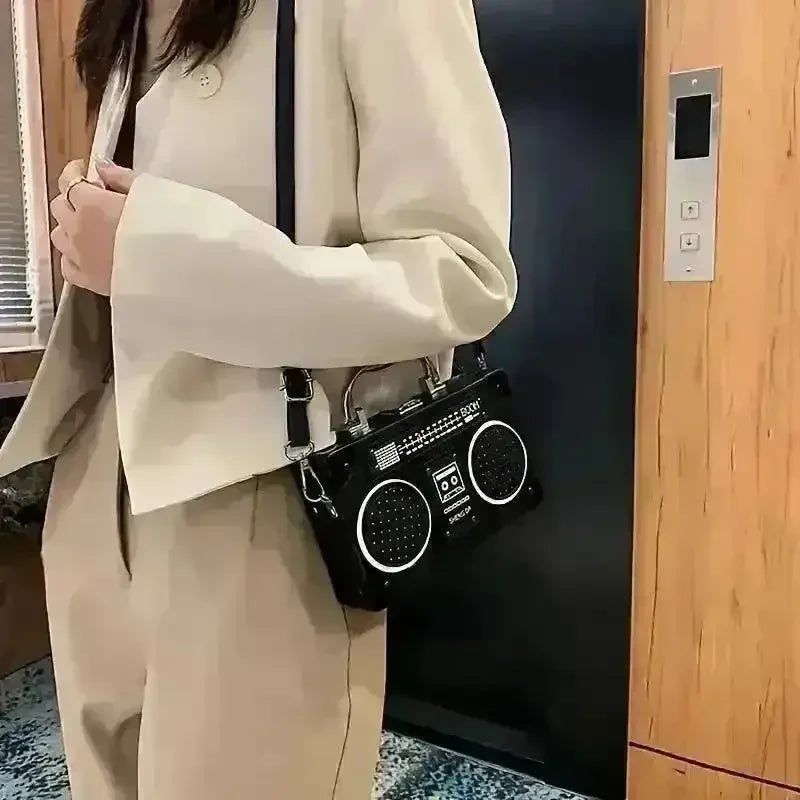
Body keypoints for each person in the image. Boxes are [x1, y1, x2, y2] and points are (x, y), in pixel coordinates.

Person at [0, 0, 516, 797]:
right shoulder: (123, 13)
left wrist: (154, 254)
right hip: (97, 482)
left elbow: (462, 272)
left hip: (260, 495)